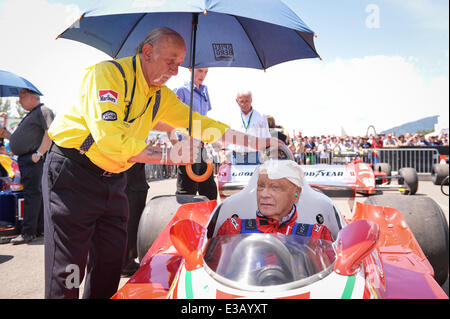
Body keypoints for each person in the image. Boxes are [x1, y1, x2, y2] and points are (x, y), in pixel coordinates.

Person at [43, 27, 279, 299]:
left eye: (179, 64)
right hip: (74, 174)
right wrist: (169, 156)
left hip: (114, 179)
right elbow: (110, 141)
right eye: (171, 61)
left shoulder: (160, 96)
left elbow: (204, 125)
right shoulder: (106, 75)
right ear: (147, 52)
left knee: (110, 264)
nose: (176, 71)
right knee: (69, 269)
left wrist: (259, 142)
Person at [217, 160, 333, 241]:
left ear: (296, 194)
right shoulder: (233, 229)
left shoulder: (317, 235)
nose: (264, 194)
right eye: (261, 186)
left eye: (275, 187)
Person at [0, 89, 54, 245]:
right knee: (34, 195)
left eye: (22, 97)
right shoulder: (31, 114)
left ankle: (28, 233)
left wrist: (39, 153)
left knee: (32, 195)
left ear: (32, 97)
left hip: (33, 159)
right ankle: (37, 229)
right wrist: (7, 134)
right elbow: (22, 139)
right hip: (27, 158)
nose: (19, 101)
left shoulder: (43, 110)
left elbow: (50, 132)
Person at [173, 67, 218, 200]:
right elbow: (172, 118)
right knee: (187, 191)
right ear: (190, 69)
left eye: (205, 72)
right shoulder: (181, 90)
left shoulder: (205, 91)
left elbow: (205, 118)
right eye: (199, 70)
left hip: (202, 147)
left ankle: (209, 220)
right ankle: (185, 220)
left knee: (210, 191)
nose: (202, 75)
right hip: (187, 146)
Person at [121, 162, 148, 277]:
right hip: (129, 182)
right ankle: (125, 263)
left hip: (134, 180)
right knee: (130, 223)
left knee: (134, 222)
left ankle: (127, 261)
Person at [229, 90, 271, 164]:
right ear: (237, 101)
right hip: (236, 156)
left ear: (251, 100)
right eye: (241, 101)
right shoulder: (232, 116)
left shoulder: (260, 116)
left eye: (247, 101)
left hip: (254, 156)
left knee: (254, 176)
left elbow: (266, 137)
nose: (244, 104)